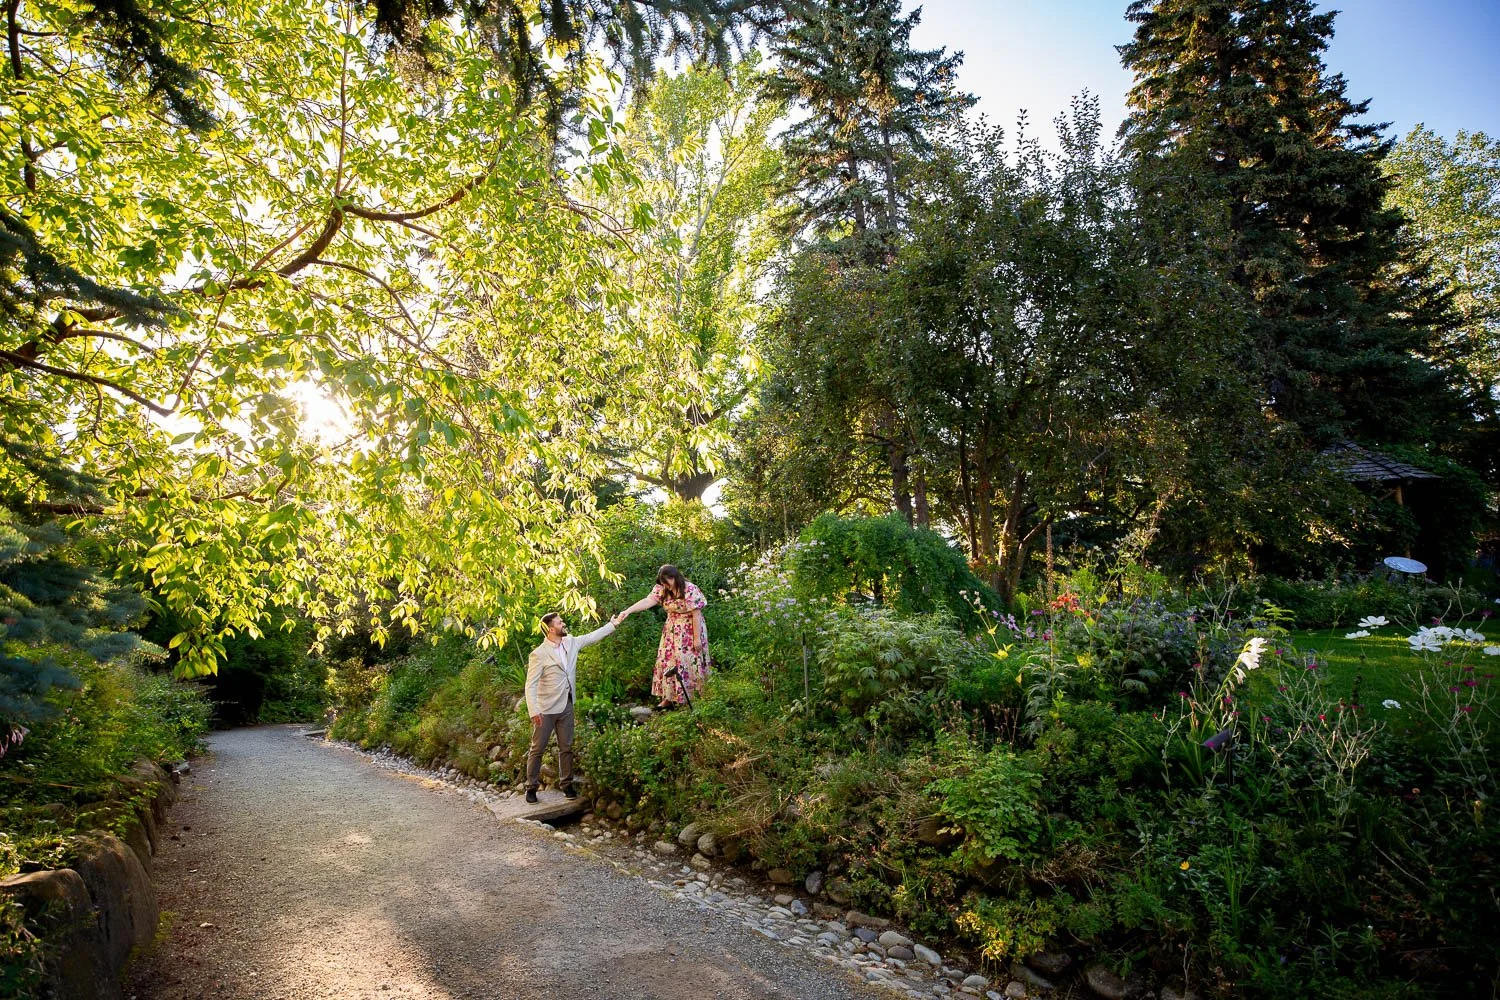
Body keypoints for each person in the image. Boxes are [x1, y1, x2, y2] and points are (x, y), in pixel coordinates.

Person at [523, 611, 617, 803]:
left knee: (566, 747)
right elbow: (530, 685)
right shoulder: (539, 654)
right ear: (551, 629)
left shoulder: (571, 642)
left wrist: (612, 624)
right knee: (537, 749)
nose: (563, 624)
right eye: (560, 622)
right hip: (546, 709)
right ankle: (531, 788)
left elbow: (592, 637)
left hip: (566, 704)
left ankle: (567, 785)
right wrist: (534, 711)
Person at [614, 564, 710, 707]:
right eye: (662, 582)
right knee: (668, 660)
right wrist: (627, 611)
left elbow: (696, 614)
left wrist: (697, 639)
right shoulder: (662, 589)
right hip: (672, 630)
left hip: (691, 629)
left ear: (674, 577)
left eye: (667, 581)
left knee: (688, 660)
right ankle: (669, 697)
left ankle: (693, 697)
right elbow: (648, 601)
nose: (665, 585)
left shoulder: (689, 589)